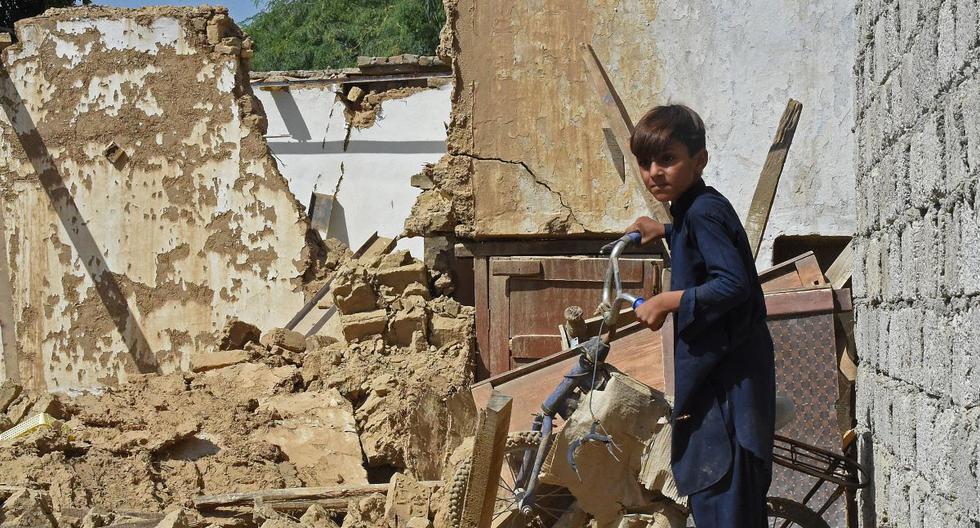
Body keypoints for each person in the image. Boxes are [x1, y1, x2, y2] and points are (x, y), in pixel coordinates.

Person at [624, 105, 776, 527]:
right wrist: (667, 231)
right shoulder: (694, 209)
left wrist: (666, 302)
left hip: (729, 384)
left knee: (724, 501)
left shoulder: (703, 211)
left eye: (667, 159)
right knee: (720, 500)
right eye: (644, 162)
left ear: (699, 161)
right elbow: (705, 242)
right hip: (724, 377)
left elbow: (733, 284)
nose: (654, 172)